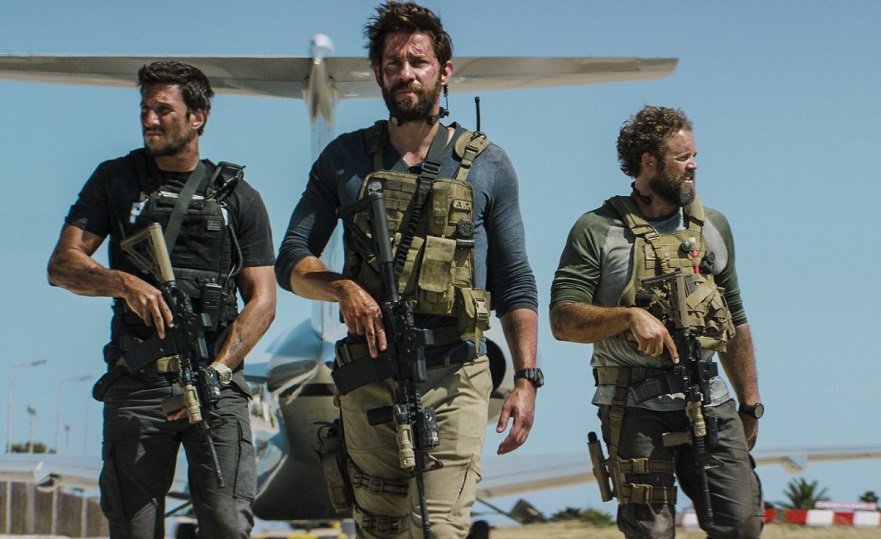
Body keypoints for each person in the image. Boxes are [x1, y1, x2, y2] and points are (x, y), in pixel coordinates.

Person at [275, 2, 540, 537]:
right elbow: (292, 260)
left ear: (444, 71)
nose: (406, 73)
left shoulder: (489, 165)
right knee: (381, 529)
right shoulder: (343, 160)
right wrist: (342, 288)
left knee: (439, 528)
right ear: (378, 74)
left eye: (418, 61)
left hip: (455, 374)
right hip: (368, 375)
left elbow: (515, 282)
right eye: (393, 63)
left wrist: (526, 378)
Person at [47, 61, 276, 538]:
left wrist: (220, 370)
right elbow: (62, 266)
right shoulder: (115, 180)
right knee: (133, 528)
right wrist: (124, 284)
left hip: (215, 386)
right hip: (139, 384)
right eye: (144, 109)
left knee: (227, 521)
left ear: (197, 117)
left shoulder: (238, 196)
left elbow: (263, 300)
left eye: (163, 110)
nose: (149, 120)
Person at [549, 106, 763, 538]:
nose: (694, 165)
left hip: (710, 399)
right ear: (649, 162)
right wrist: (628, 316)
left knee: (741, 522)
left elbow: (735, 318)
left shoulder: (712, 226)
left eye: (694, 155)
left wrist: (750, 404)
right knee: (651, 531)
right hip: (633, 406)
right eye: (683, 158)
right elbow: (562, 320)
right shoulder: (597, 229)